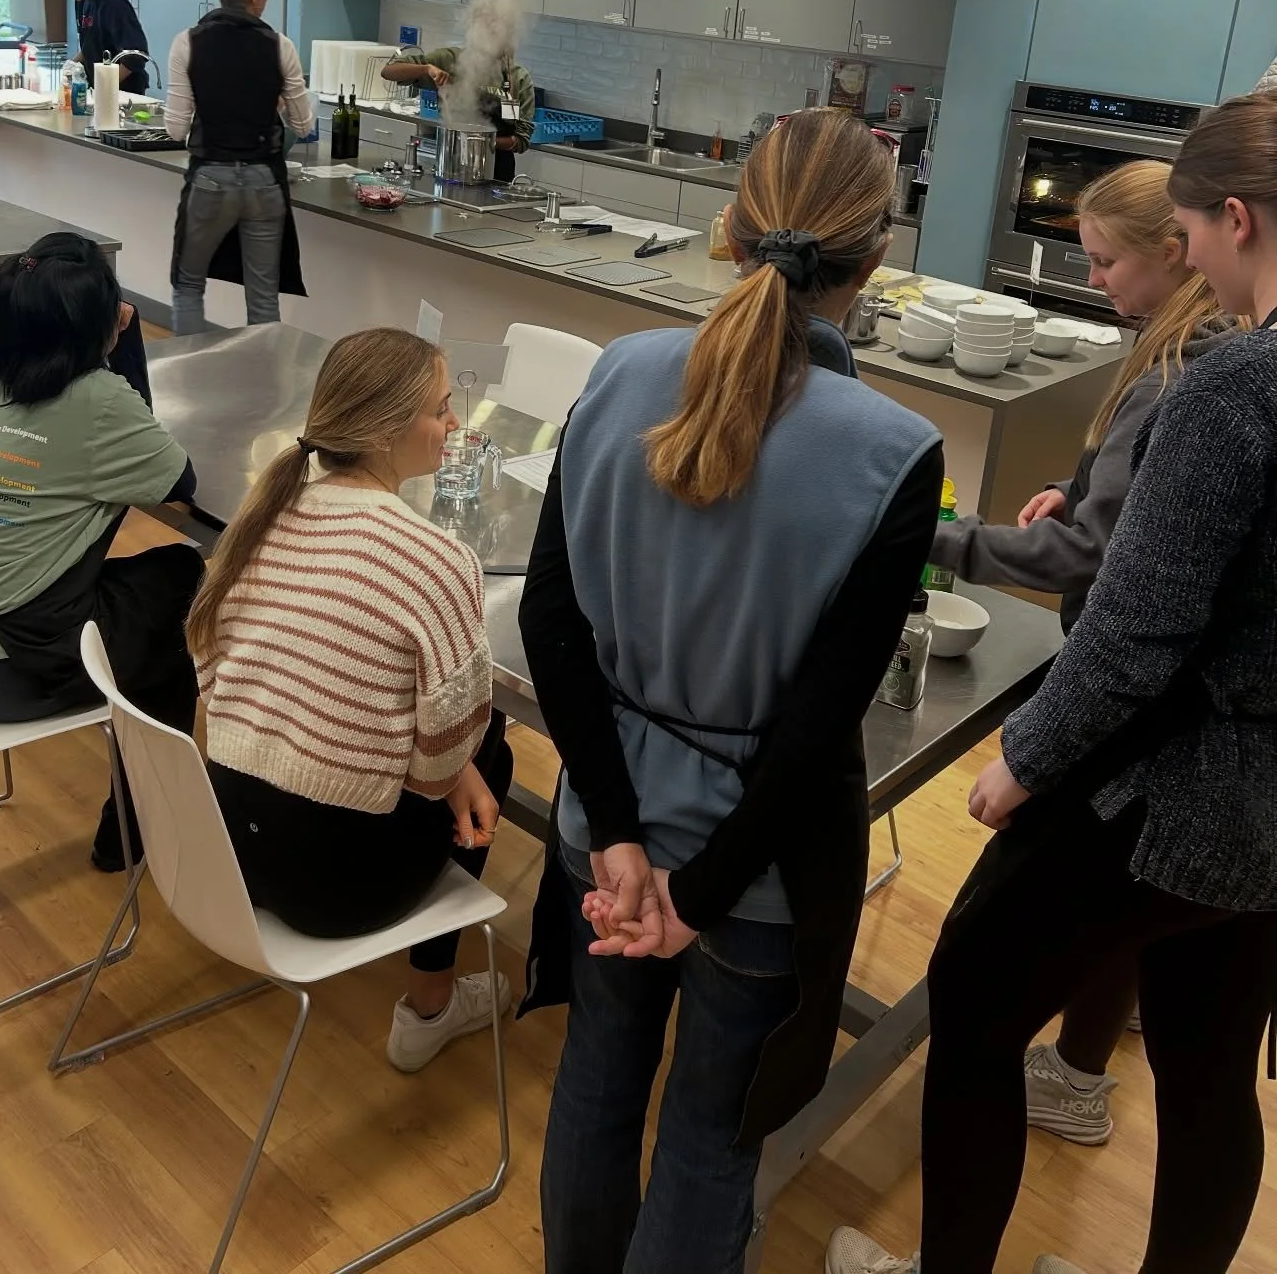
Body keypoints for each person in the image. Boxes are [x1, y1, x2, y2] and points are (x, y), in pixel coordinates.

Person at [830, 90, 1277, 1274]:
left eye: (1190, 236)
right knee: (1208, 1068)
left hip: (1170, 792)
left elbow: (1136, 633)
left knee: (973, 1001)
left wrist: (1028, 763)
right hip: (1268, 822)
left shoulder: (1232, 389)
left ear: (1237, 220)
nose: (1188, 262)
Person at [519, 108, 943, 1274]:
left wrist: (617, 839)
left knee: (595, 1091)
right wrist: (698, 893)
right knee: (710, 1143)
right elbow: (813, 735)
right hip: (751, 881)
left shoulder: (618, 372)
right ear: (880, 257)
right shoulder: (896, 450)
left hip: (598, 839)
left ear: (729, 229)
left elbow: (550, 627)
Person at [930, 160, 1233, 1146]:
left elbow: (1106, 563)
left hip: (1135, 714)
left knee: (989, 962)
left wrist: (949, 539)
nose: (1094, 277)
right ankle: (1082, 1069)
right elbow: (1123, 508)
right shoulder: (1193, 346)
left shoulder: (1187, 373)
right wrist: (1079, 486)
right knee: (1144, 923)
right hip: (1197, 744)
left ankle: (1069, 1080)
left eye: (1107, 260)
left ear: (1181, 247)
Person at [185, 326, 514, 1071]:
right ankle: (430, 1004)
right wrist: (455, 764)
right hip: (338, 890)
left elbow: (213, 670)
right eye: (441, 407)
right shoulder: (436, 560)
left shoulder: (259, 517)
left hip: (227, 842)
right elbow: (433, 775)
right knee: (490, 758)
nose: (455, 424)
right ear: (387, 432)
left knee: (462, 756)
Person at [0, 234, 204, 872]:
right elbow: (177, 481)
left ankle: (136, 821)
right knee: (183, 583)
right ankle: (137, 826)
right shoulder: (96, 403)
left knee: (153, 587)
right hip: (0, 666)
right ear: (99, 326)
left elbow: (131, 444)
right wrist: (128, 344)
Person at [165, 0, 313, 334]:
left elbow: (176, 128)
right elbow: (304, 125)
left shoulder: (187, 42)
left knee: (188, 284)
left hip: (210, 178)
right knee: (263, 296)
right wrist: (273, 104)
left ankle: (187, 378)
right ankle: (263, 389)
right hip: (265, 181)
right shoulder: (281, 46)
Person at [380, 45, 535, 184]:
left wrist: (479, 142)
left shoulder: (518, 78)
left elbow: (522, 139)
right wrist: (427, 68)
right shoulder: (450, 61)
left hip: (497, 171)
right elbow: (388, 71)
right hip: (451, 159)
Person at [52, 0, 150, 92]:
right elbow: (90, 44)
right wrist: (71, 66)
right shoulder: (82, 0)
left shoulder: (112, 2)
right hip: (98, 86)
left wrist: (105, 87)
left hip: (125, 90)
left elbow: (136, 56)